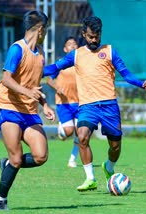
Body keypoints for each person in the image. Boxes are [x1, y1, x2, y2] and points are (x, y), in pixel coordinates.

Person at [44, 16, 146, 191]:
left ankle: (108, 166)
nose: (94, 40)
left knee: (115, 146)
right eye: (91, 36)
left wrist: (140, 83)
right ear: (83, 34)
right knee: (83, 136)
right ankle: (90, 178)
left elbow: (126, 74)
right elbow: (54, 68)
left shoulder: (109, 51)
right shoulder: (76, 54)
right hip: (87, 106)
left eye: (97, 36)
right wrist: (35, 72)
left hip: (109, 106)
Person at [0, 10, 55, 210]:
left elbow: (35, 86)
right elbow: (6, 78)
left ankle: (8, 165)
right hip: (9, 108)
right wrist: (27, 92)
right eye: (46, 31)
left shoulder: (40, 55)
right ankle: (1, 200)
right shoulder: (16, 49)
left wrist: (45, 105)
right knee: (17, 158)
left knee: (41, 156)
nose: (46, 35)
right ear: (41, 29)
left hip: (29, 112)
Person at [46, 36, 79, 168]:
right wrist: (56, 87)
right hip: (63, 103)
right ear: (65, 49)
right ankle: (62, 129)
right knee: (69, 132)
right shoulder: (61, 63)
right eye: (70, 44)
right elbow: (48, 79)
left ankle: (72, 159)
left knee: (82, 132)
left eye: (75, 44)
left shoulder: (81, 64)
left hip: (80, 102)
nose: (73, 46)